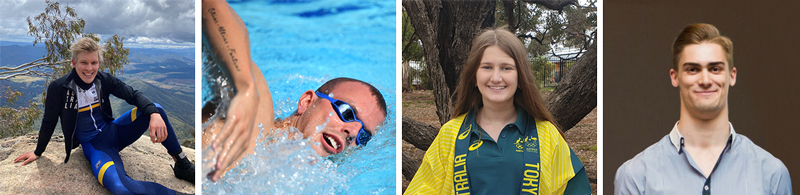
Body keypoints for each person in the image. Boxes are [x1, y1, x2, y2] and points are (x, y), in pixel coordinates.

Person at [201, 0, 388, 182]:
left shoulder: (312, 181)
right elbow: (210, 5)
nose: (353, 132)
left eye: (364, 135)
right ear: (307, 102)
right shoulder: (256, 120)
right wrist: (244, 87)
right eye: (347, 112)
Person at [404, 28, 591, 195]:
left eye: (506, 68)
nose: (496, 77)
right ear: (474, 77)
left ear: (520, 78)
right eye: (487, 67)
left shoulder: (547, 134)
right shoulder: (449, 134)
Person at [614, 23, 792, 195]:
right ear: (675, 77)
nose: (705, 80)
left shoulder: (771, 174)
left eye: (715, 68)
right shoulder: (636, 176)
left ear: (732, 75)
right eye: (693, 69)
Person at [13, 37, 195, 195]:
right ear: (73, 63)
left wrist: (154, 114)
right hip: (96, 147)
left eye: (94, 63)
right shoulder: (59, 88)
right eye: (84, 62)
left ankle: (182, 164)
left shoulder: (103, 79)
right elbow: (49, 121)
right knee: (121, 188)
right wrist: (38, 152)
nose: (89, 68)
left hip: (115, 131)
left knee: (155, 108)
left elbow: (133, 95)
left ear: (99, 63)